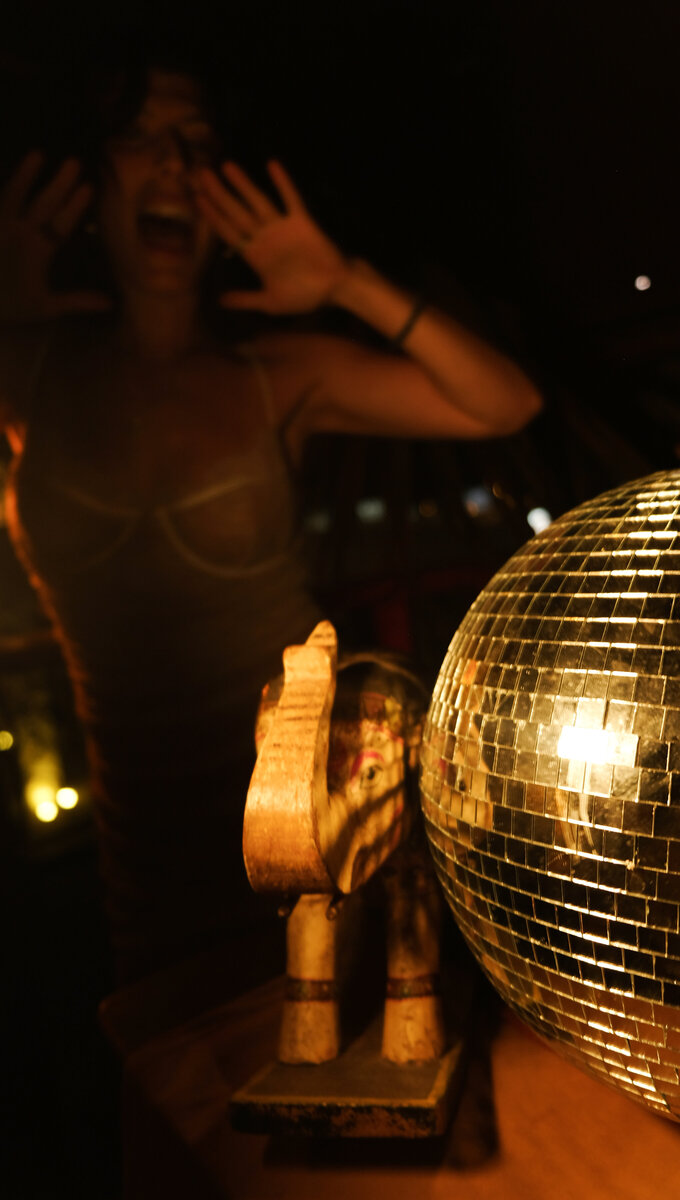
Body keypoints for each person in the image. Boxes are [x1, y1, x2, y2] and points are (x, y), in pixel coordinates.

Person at [0, 63, 543, 984]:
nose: (175, 163)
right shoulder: (32, 369)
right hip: (144, 875)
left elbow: (504, 403)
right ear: (90, 181)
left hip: (321, 828)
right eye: (142, 136)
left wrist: (347, 281)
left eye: (200, 145)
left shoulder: (277, 372)